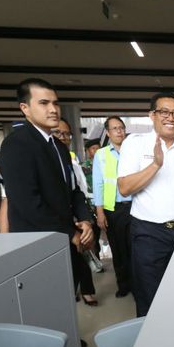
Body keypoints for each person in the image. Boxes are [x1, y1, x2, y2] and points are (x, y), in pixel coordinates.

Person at [0, 78, 100, 347]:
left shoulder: (57, 145)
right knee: (43, 314)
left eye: (55, 102)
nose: (53, 109)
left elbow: (72, 192)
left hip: (63, 240)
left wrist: (84, 220)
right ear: (25, 108)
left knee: (62, 307)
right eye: (44, 103)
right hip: (37, 243)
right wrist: (70, 232)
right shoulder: (18, 144)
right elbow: (27, 202)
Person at [117, 92, 174, 317]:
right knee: (149, 297)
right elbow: (124, 188)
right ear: (152, 115)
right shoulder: (135, 144)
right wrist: (155, 165)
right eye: (164, 112)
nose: (171, 117)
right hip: (148, 233)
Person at [52, 118, 99, 305]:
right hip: (56, 220)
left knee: (82, 251)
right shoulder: (47, 158)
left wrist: (85, 218)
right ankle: (69, 293)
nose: (64, 138)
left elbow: (78, 189)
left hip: (78, 213)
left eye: (67, 134)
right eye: (58, 133)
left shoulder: (71, 159)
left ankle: (87, 290)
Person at [93, 116, 133, 298]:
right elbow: (98, 183)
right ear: (108, 133)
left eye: (121, 128)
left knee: (135, 247)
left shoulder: (133, 151)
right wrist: (99, 211)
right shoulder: (101, 154)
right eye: (115, 128)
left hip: (135, 206)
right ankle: (123, 284)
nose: (119, 131)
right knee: (118, 249)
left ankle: (137, 283)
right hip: (113, 209)